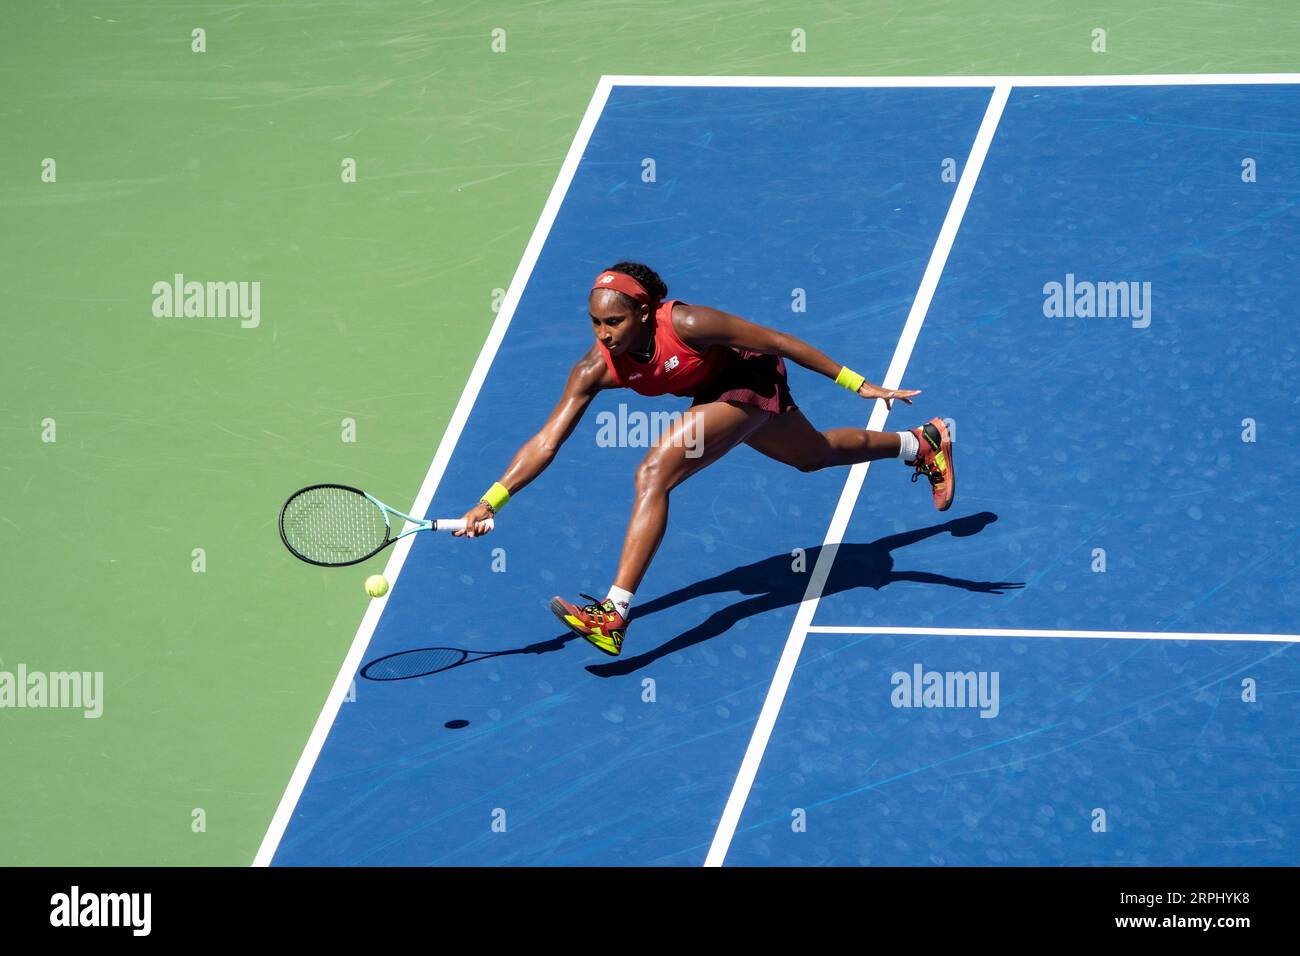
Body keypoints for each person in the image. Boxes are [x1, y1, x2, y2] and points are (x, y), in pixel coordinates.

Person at [455, 261, 953, 656]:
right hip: (712, 397)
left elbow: (778, 341)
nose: (603, 333)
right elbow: (547, 440)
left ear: (645, 313)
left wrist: (857, 383)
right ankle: (922, 442)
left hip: (751, 381)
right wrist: (490, 502)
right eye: (595, 322)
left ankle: (614, 614)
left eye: (614, 321)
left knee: (654, 472)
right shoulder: (594, 368)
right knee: (813, 455)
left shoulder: (690, 323)